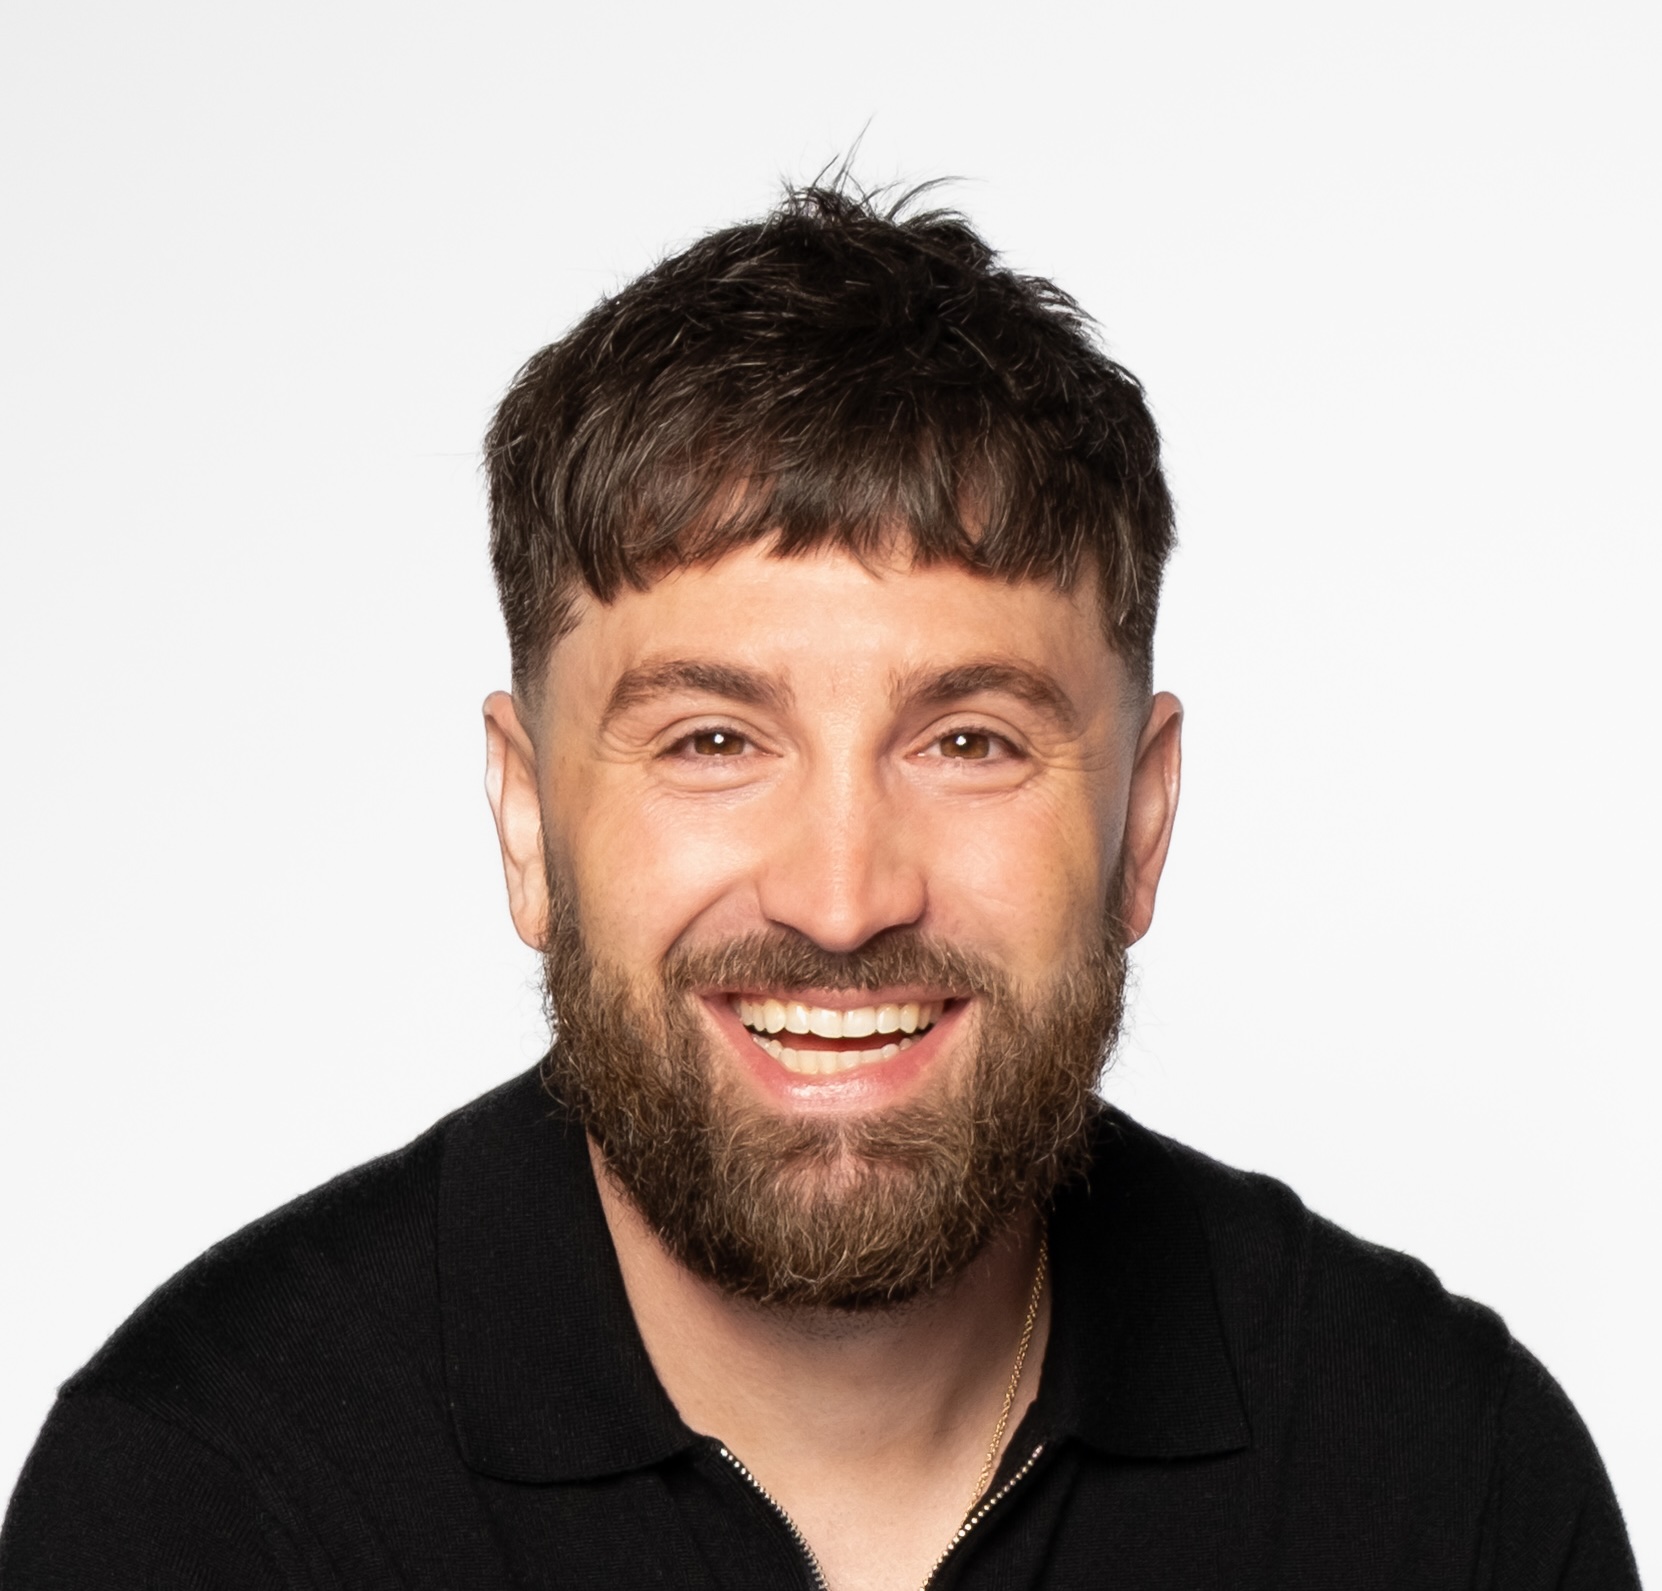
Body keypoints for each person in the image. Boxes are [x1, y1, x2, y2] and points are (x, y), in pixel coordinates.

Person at [0, 185, 1638, 1590]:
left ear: (1141, 823)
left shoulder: (1445, 1482)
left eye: (970, 741)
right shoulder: (205, 1504)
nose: (842, 900)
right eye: (712, 740)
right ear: (526, 817)